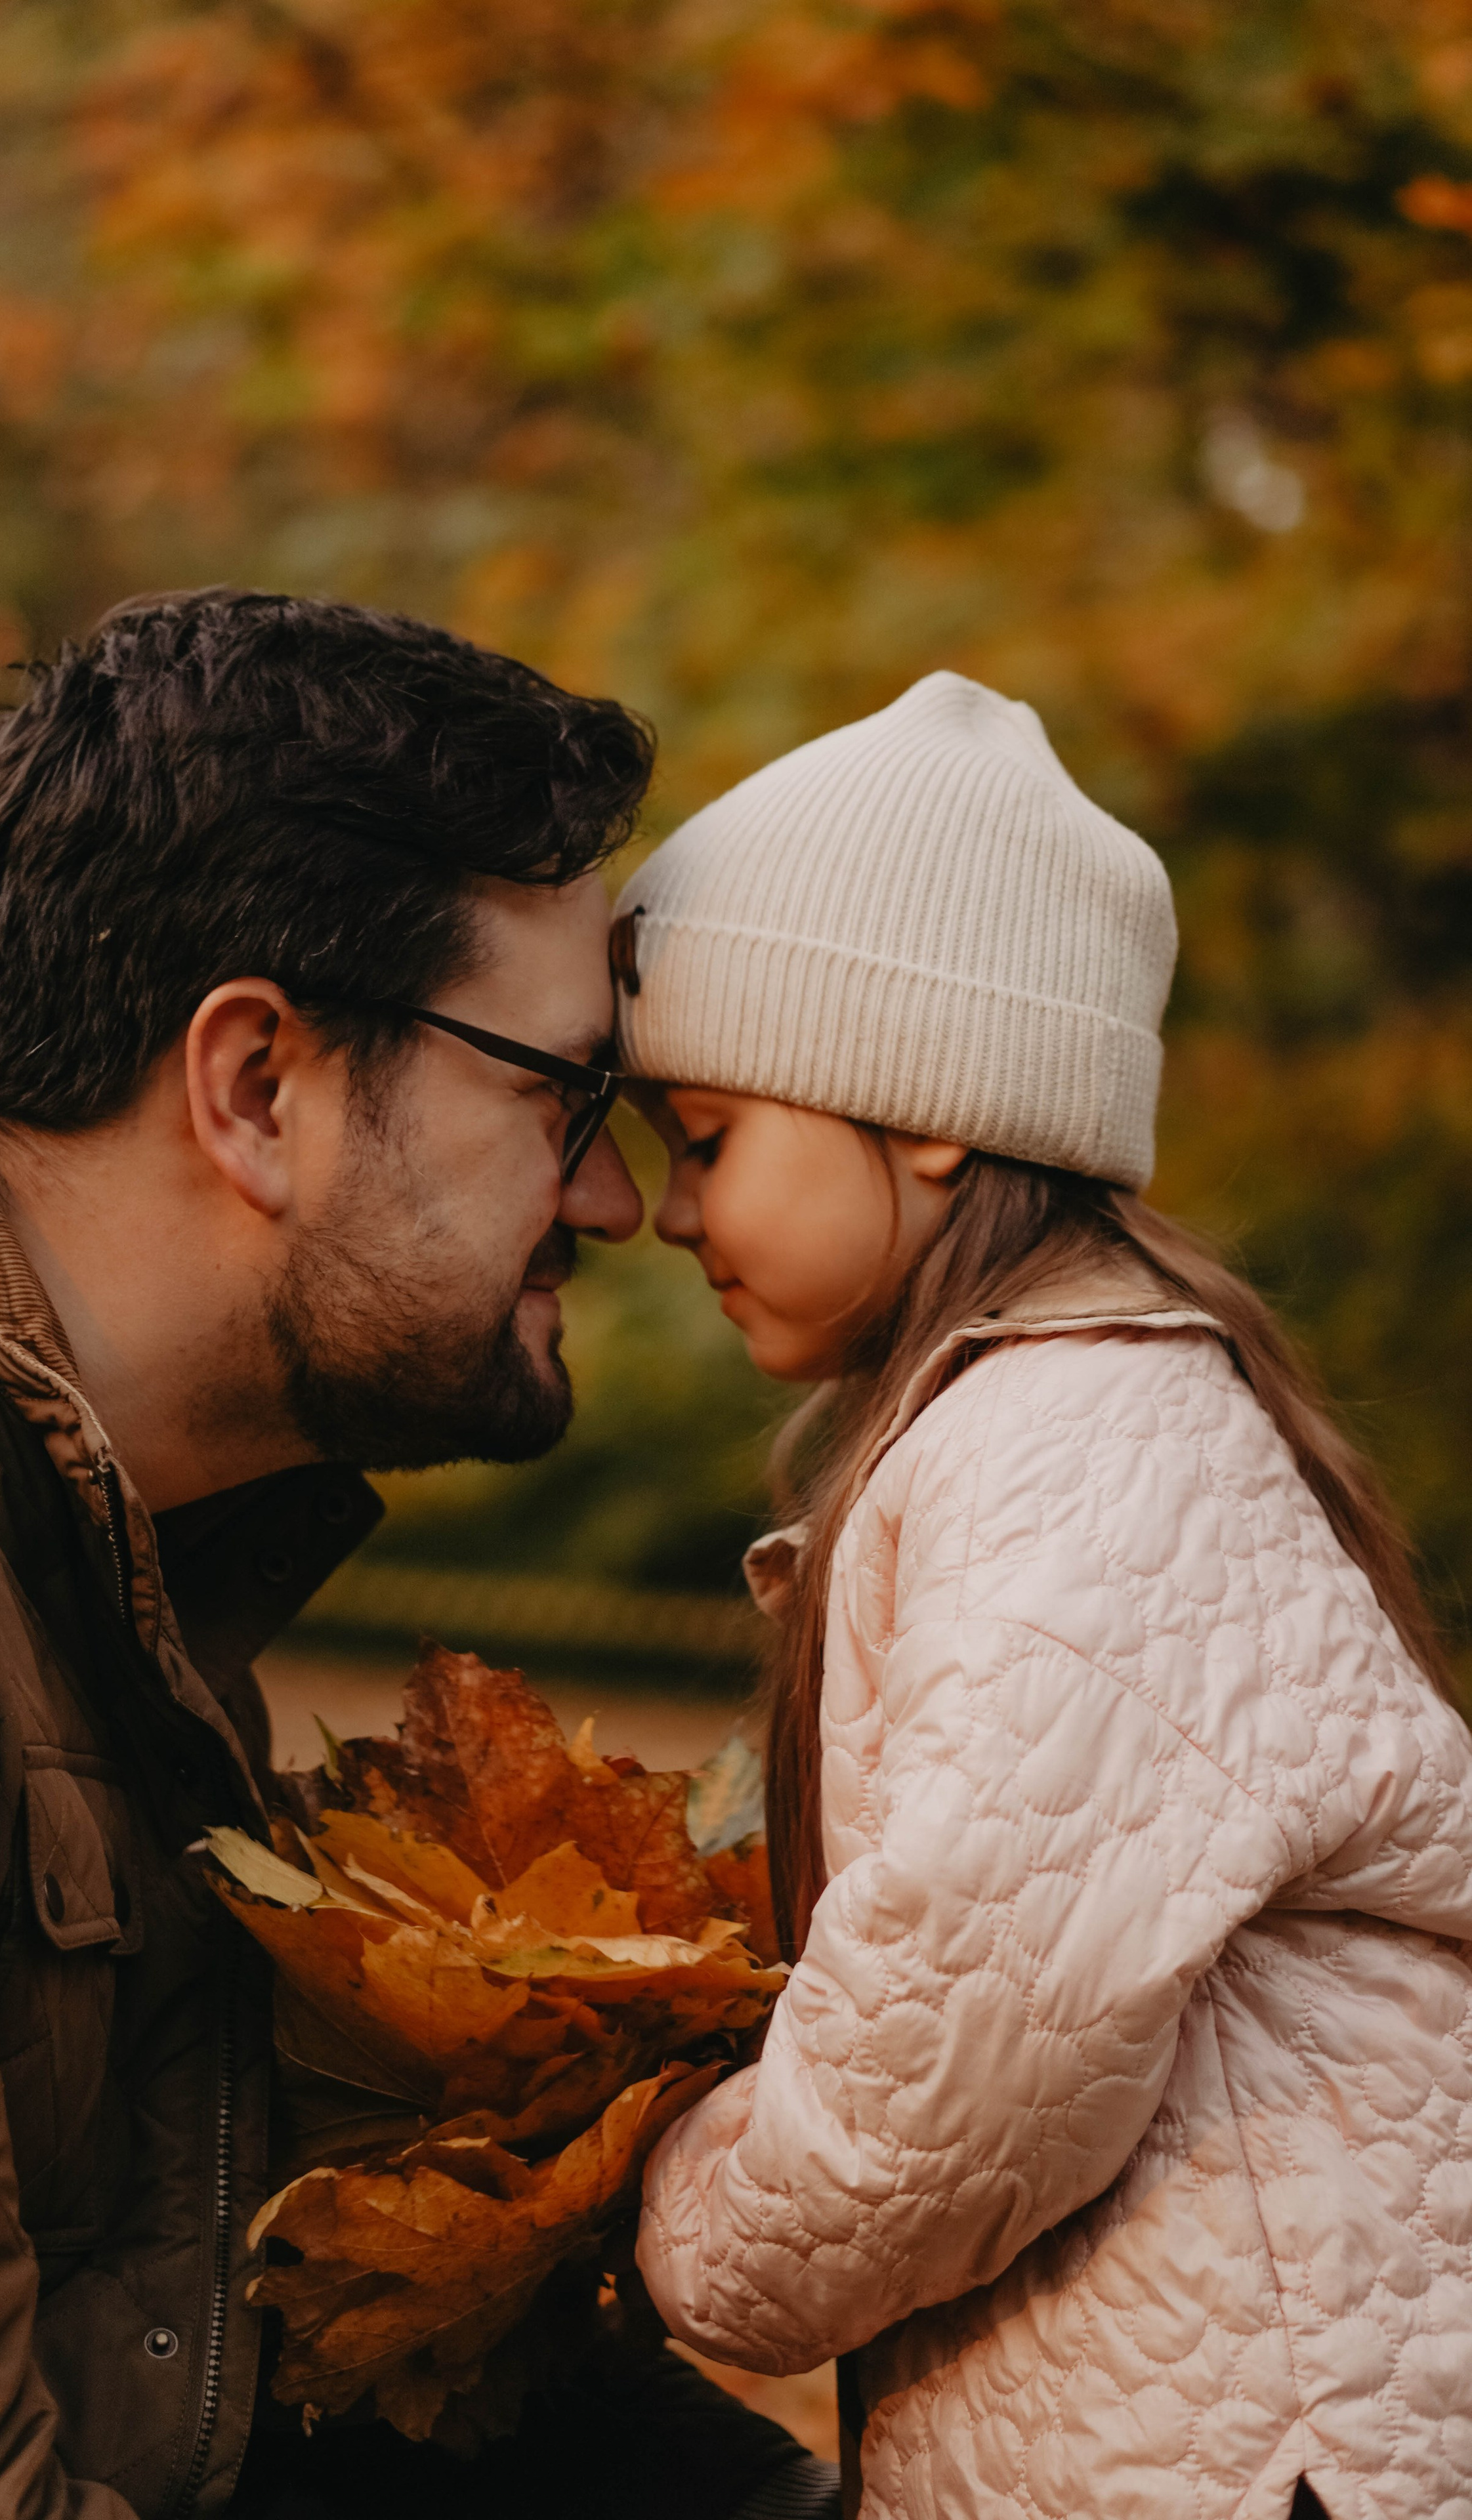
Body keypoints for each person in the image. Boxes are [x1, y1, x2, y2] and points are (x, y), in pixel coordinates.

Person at [0, 588, 832, 2520]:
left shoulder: (85, 1500)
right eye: (567, 1094)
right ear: (258, 1087)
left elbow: (239, 2325)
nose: (616, 1204)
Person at [618, 670, 1472, 2519]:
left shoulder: (1077, 1447)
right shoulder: (1053, 1427)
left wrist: (654, 2197)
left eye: (706, 1135)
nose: (670, 1212)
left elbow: (948, 2062)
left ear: (925, 1107)